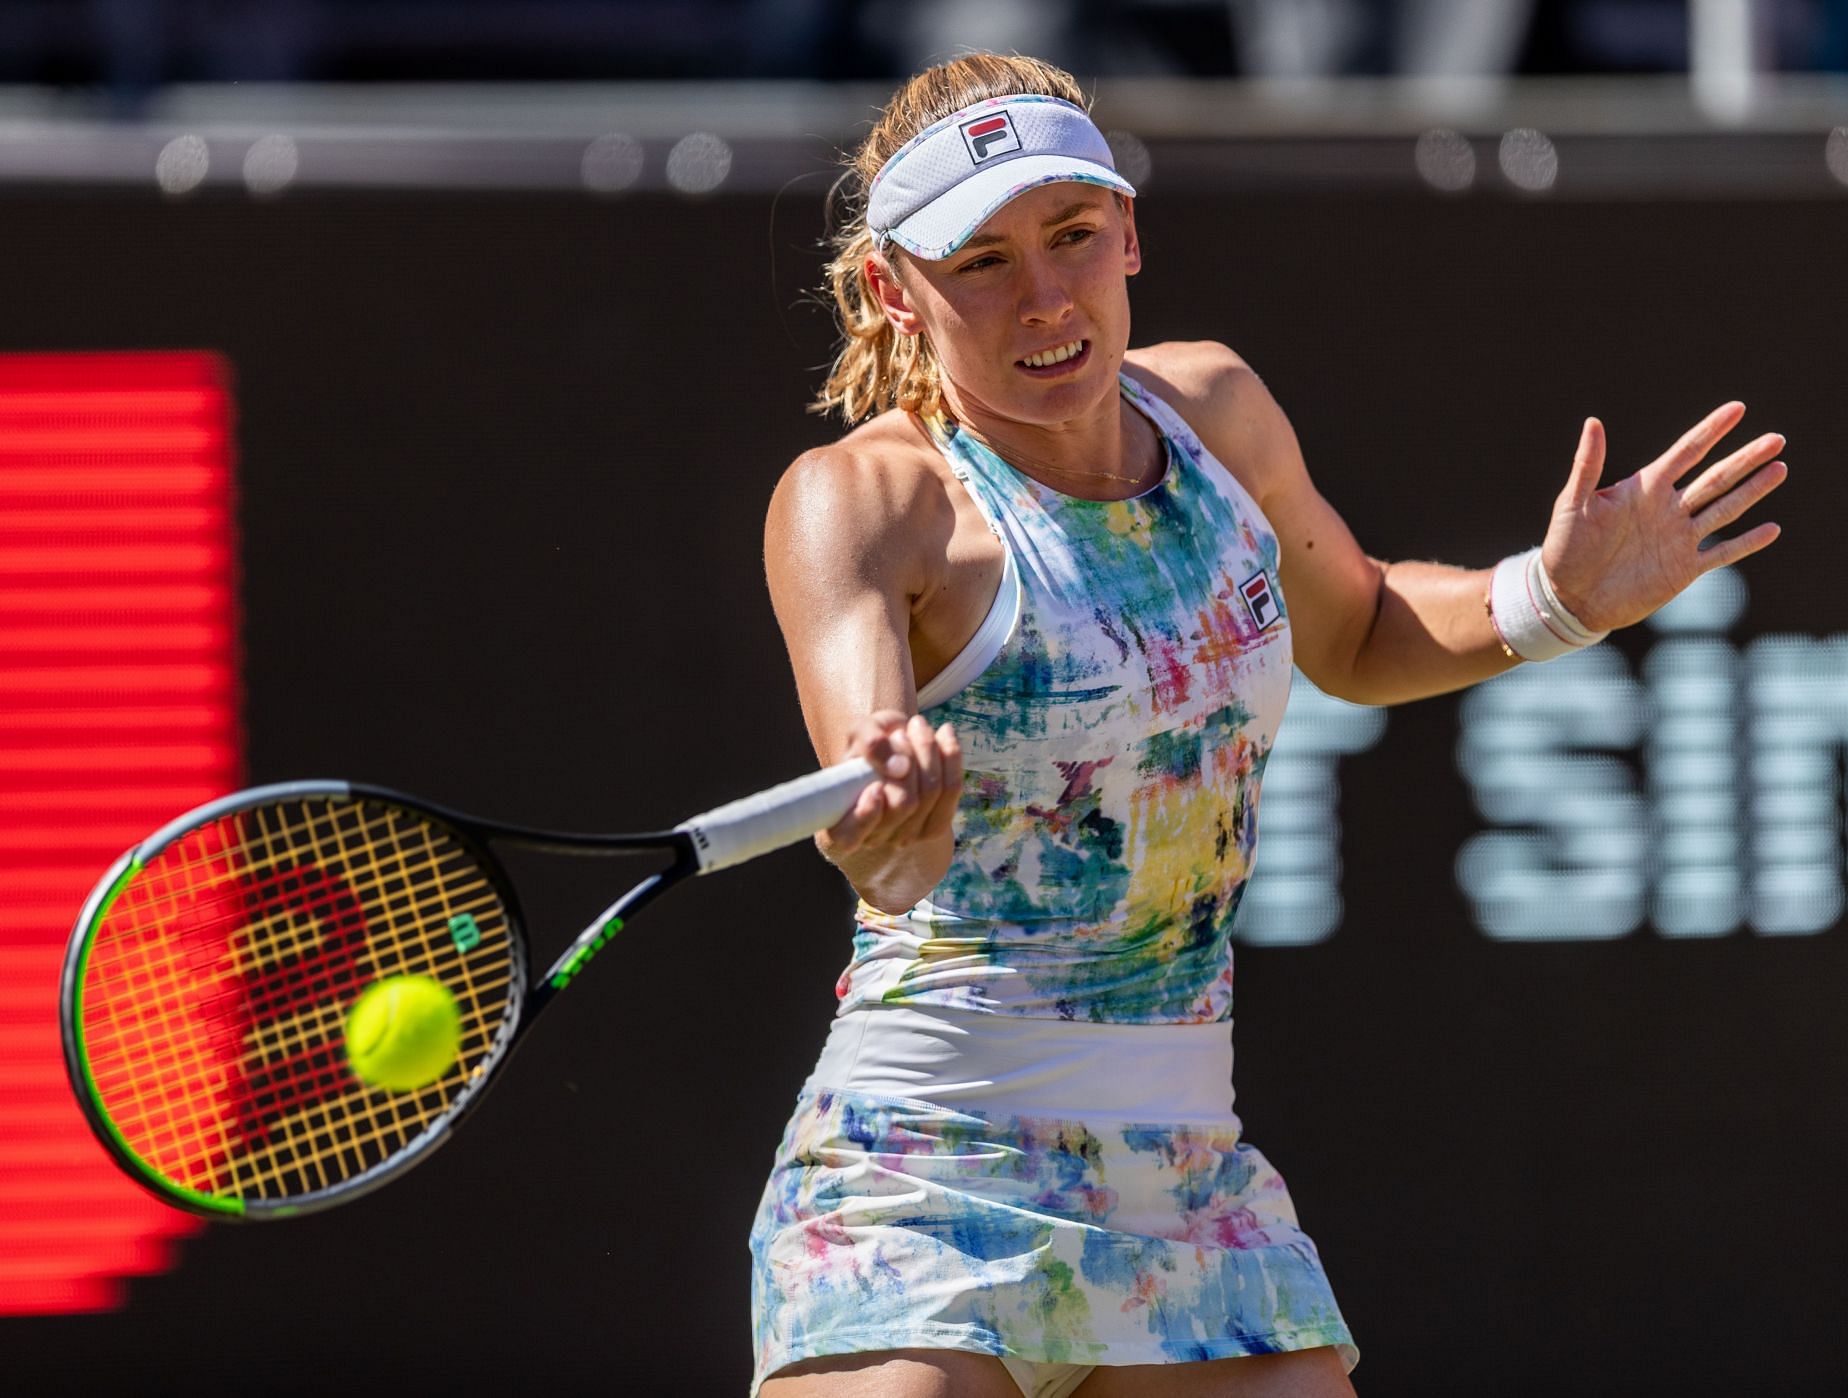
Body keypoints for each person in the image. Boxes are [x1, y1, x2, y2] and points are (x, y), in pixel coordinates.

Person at [751, 53, 1786, 1398]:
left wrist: (1553, 598)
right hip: (921, 1165)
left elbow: (1353, 631)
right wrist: (890, 822)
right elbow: (875, 832)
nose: (1048, 297)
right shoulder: (864, 503)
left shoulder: (1217, 411)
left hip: (1185, 1171)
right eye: (984, 260)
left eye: (1072, 236)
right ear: (898, 286)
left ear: (1127, 230)